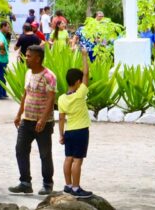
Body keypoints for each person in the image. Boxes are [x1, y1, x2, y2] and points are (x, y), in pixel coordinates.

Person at [9, 45, 57, 196]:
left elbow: (51, 99)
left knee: (45, 154)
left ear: (38, 58)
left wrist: (42, 119)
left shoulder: (49, 76)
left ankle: (47, 184)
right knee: (20, 150)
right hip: (27, 120)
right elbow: (25, 94)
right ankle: (25, 183)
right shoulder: (28, 73)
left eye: (29, 56)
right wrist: (18, 114)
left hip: (43, 123)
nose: (26, 58)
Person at [58, 49, 93, 199]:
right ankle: (76, 187)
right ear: (78, 82)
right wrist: (84, 56)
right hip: (81, 131)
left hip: (69, 131)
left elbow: (61, 118)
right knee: (78, 160)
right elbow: (86, 74)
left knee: (68, 158)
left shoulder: (61, 99)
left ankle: (68, 185)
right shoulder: (80, 94)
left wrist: (61, 134)